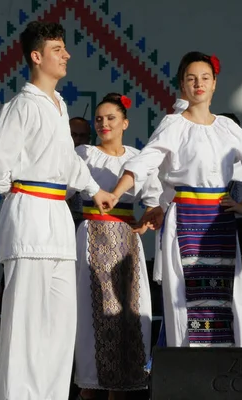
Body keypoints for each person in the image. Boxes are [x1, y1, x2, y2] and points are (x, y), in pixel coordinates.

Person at [0, 21, 115, 400]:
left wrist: (94, 189)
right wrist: (11, 190)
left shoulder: (58, 106)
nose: (66, 54)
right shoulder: (22, 105)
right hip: (30, 216)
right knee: (26, 327)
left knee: (58, 326)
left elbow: (67, 161)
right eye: (58, 49)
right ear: (36, 57)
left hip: (57, 220)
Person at [109, 51, 242, 348]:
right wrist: (115, 192)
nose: (198, 84)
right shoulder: (174, 125)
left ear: (214, 84)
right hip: (186, 217)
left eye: (205, 78)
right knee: (185, 298)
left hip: (220, 222)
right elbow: (146, 161)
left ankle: (218, 369)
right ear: (182, 85)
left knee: (221, 297)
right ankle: (186, 370)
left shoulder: (227, 128)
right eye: (191, 79)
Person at [73, 93, 160, 400]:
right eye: (99, 119)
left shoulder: (137, 159)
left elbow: (153, 199)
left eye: (111, 118)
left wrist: (150, 216)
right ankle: (89, 384)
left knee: (126, 313)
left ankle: (120, 388)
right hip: (91, 236)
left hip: (126, 240)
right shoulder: (84, 153)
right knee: (91, 311)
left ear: (125, 122)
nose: (104, 123)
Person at [68, 117, 93, 227]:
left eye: (82, 136)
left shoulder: (94, 161)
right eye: (73, 135)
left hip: (88, 222)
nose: (77, 140)